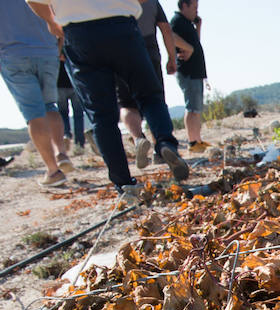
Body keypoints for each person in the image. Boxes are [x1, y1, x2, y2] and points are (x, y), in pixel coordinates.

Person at [27, 0, 190, 198]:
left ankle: (124, 183)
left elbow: (32, 0)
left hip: (78, 33)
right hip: (121, 26)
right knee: (149, 95)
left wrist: (52, 22)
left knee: (102, 116)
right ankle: (165, 143)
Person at [0, 0, 72, 187]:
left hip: (13, 54)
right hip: (47, 52)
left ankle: (53, 171)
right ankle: (61, 152)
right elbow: (60, 14)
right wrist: (58, 46)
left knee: (34, 114)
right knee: (50, 105)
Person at [117, 1, 192, 169]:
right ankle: (163, 145)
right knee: (153, 99)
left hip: (119, 49)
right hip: (148, 51)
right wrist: (172, 58)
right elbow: (165, 29)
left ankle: (138, 138)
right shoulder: (151, 2)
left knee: (127, 103)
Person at [171, 0, 209, 153]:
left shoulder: (187, 24)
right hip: (188, 71)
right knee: (192, 107)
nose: (196, 11)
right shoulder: (177, 21)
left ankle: (197, 139)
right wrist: (189, 48)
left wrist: (198, 27)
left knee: (197, 107)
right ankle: (193, 142)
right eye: (194, 7)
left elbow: (196, 44)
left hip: (196, 72)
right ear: (184, 6)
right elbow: (170, 36)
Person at [57, 54, 85, 154]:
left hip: (59, 85)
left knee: (63, 113)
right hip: (75, 84)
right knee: (78, 115)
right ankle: (79, 144)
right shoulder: (71, 44)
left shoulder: (54, 47)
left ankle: (66, 135)